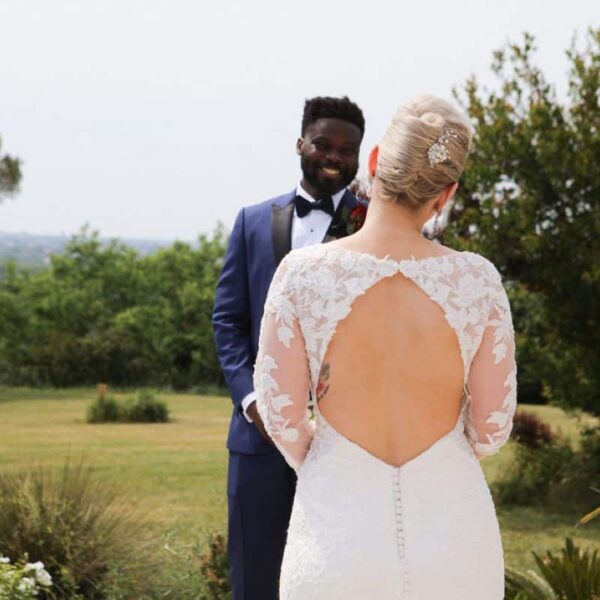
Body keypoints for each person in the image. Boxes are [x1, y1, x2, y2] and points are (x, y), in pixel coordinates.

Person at [254, 94, 517, 599]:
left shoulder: (301, 274)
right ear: (446, 194)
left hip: (335, 537)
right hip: (455, 537)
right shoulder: (477, 281)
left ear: (375, 164)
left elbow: (282, 417)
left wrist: (335, 459)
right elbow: (490, 429)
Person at [212, 96, 366, 600]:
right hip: (257, 441)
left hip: (347, 438)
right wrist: (251, 399)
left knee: (336, 576)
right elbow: (229, 321)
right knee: (255, 575)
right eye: (324, 143)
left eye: (348, 149)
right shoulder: (252, 221)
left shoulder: (374, 226)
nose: (334, 156)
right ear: (301, 143)